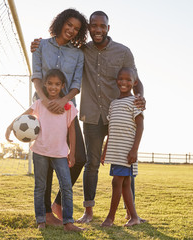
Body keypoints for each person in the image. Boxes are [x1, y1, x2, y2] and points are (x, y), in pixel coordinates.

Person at [31, 10, 146, 223]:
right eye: (94, 26)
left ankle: (132, 213)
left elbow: (136, 80)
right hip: (89, 114)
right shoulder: (77, 50)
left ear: (108, 28)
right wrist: (36, 45)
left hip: (116, 115)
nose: (98, 30)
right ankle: (81, 211)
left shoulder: (117, 52)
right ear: (89, 29)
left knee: (124, 161)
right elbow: (43, 71)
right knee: (88, 163)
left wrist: (140, 97)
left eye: (102, 26)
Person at [6, 69, 83, 231]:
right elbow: (22, 117)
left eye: (57, 84)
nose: (53, 87)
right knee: (40, 186)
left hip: (60, 154)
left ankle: (68, 222)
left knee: (66, 186)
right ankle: (41, 219)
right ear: (44, 85)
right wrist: (9, 127)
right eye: (49, 84)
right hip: (40, 152)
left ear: (62, 85)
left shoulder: (69, 108)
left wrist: (72, 153)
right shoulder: (39, 104)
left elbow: (72, 132)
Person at [31, 8, 88, 225]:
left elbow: (75, 86)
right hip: (43, 110)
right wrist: (46, 101)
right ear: (61, 22)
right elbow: (36, 77)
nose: (72, 30)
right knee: (44, 159)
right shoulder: (41, 46)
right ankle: (45, 213)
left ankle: (58, 202)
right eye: (69, 25)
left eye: (77, 28)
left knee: (79, 157)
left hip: (66, 111)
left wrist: (63, 101)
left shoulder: (78, 54)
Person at [100, 67, 144, 227]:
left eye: (128, 80)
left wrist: (134, 150)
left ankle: (110, 218)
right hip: (115, 152)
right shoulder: (113, 104)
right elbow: (110, 130)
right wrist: (105, 151)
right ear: (116, 80)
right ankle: (134, 217)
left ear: (134, 83)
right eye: (121, 79)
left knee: (116, 182)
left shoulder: (135, 102)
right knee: (125, 184)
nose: (124, 82)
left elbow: (140, 127)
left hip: (127, 152)